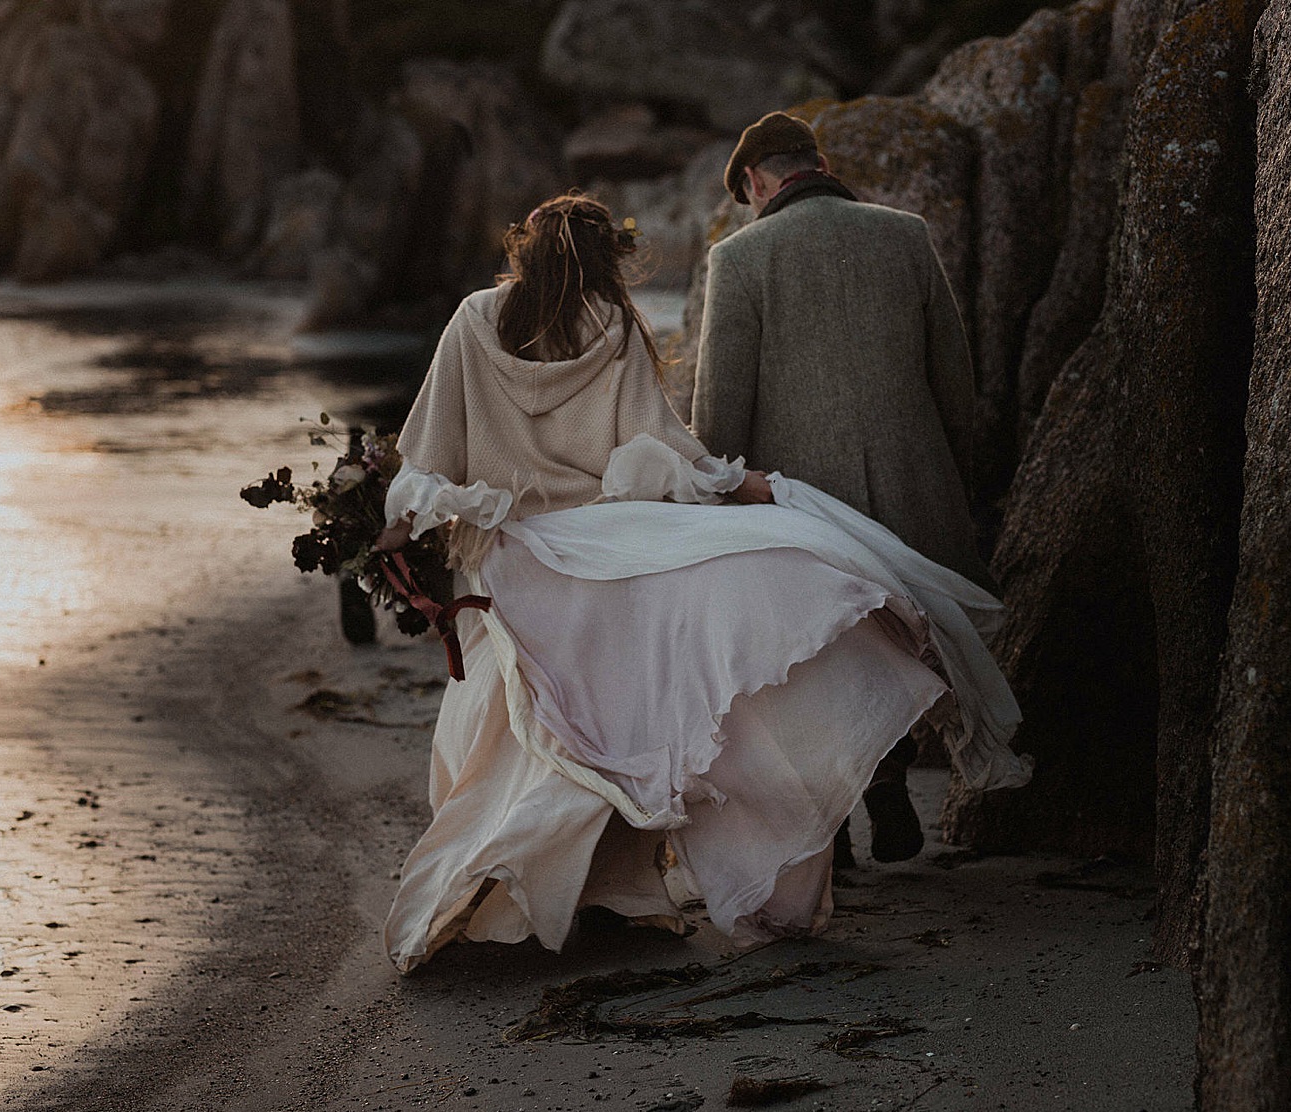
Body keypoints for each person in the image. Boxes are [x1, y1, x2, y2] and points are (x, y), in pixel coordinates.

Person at [375, 192, 1026, 973]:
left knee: (532, 732)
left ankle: (525, 891)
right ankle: (620, 892)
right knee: (620, 716)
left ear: (525, 250)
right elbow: (658, 450)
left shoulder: (473, 320)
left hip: (517, 560)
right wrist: (744, 484)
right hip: (612, 546)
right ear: (604, 259)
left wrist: (389, 531)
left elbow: (427, 460)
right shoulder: (611, 325)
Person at [691, 111, 990, 867]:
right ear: (816, 163)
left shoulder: (741, 257)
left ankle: (838, 838)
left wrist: (712, 497)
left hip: (804, 508)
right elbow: (957, 387)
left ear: (755, 182)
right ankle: (886, 781)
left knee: (815, 666)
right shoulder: (906, 234)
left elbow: (719, 415)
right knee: (895, 649)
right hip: (914, 493)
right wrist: (968, 489)